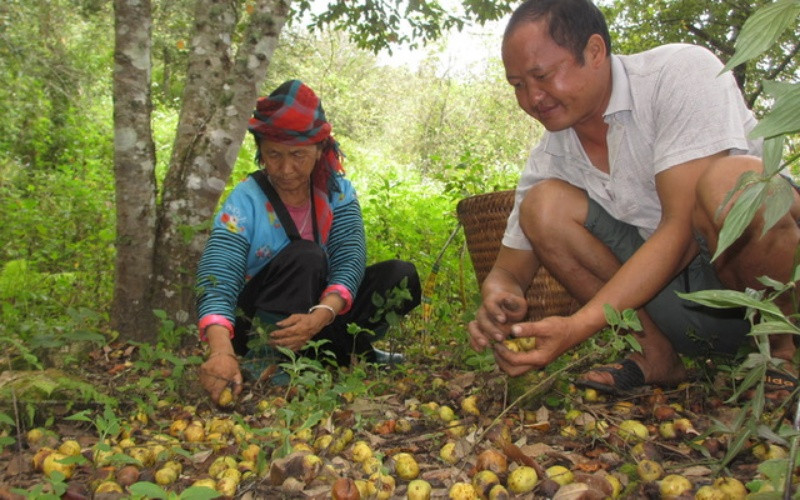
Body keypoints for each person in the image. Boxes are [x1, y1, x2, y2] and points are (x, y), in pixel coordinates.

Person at [468, 0, 800, 395]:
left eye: (542, 75)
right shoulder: (552, 154)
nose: (532, 98)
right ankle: (655, 355)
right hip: (691, 310)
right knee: (543, 207)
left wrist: (578, 326)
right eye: (518, 85)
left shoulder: (680, 73)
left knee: (732, 181)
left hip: (763, 286)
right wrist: (498, 298)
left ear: (594, 52)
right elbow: (508, 272)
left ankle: (784, 353)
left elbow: (679, 232)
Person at [196, 80, 421, 403]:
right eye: (274, 155)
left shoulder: (337, 193)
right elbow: (218, 276)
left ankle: (350, 352)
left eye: (298, 155)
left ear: (319, 151)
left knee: (401, 275)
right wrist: (220, 350)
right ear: (261, 152)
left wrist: (320, 316)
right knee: (306, 255)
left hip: (318, 319)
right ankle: (268, 363)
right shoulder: (246, 199)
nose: (286, 169)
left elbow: (349, 260)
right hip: (262, 323)